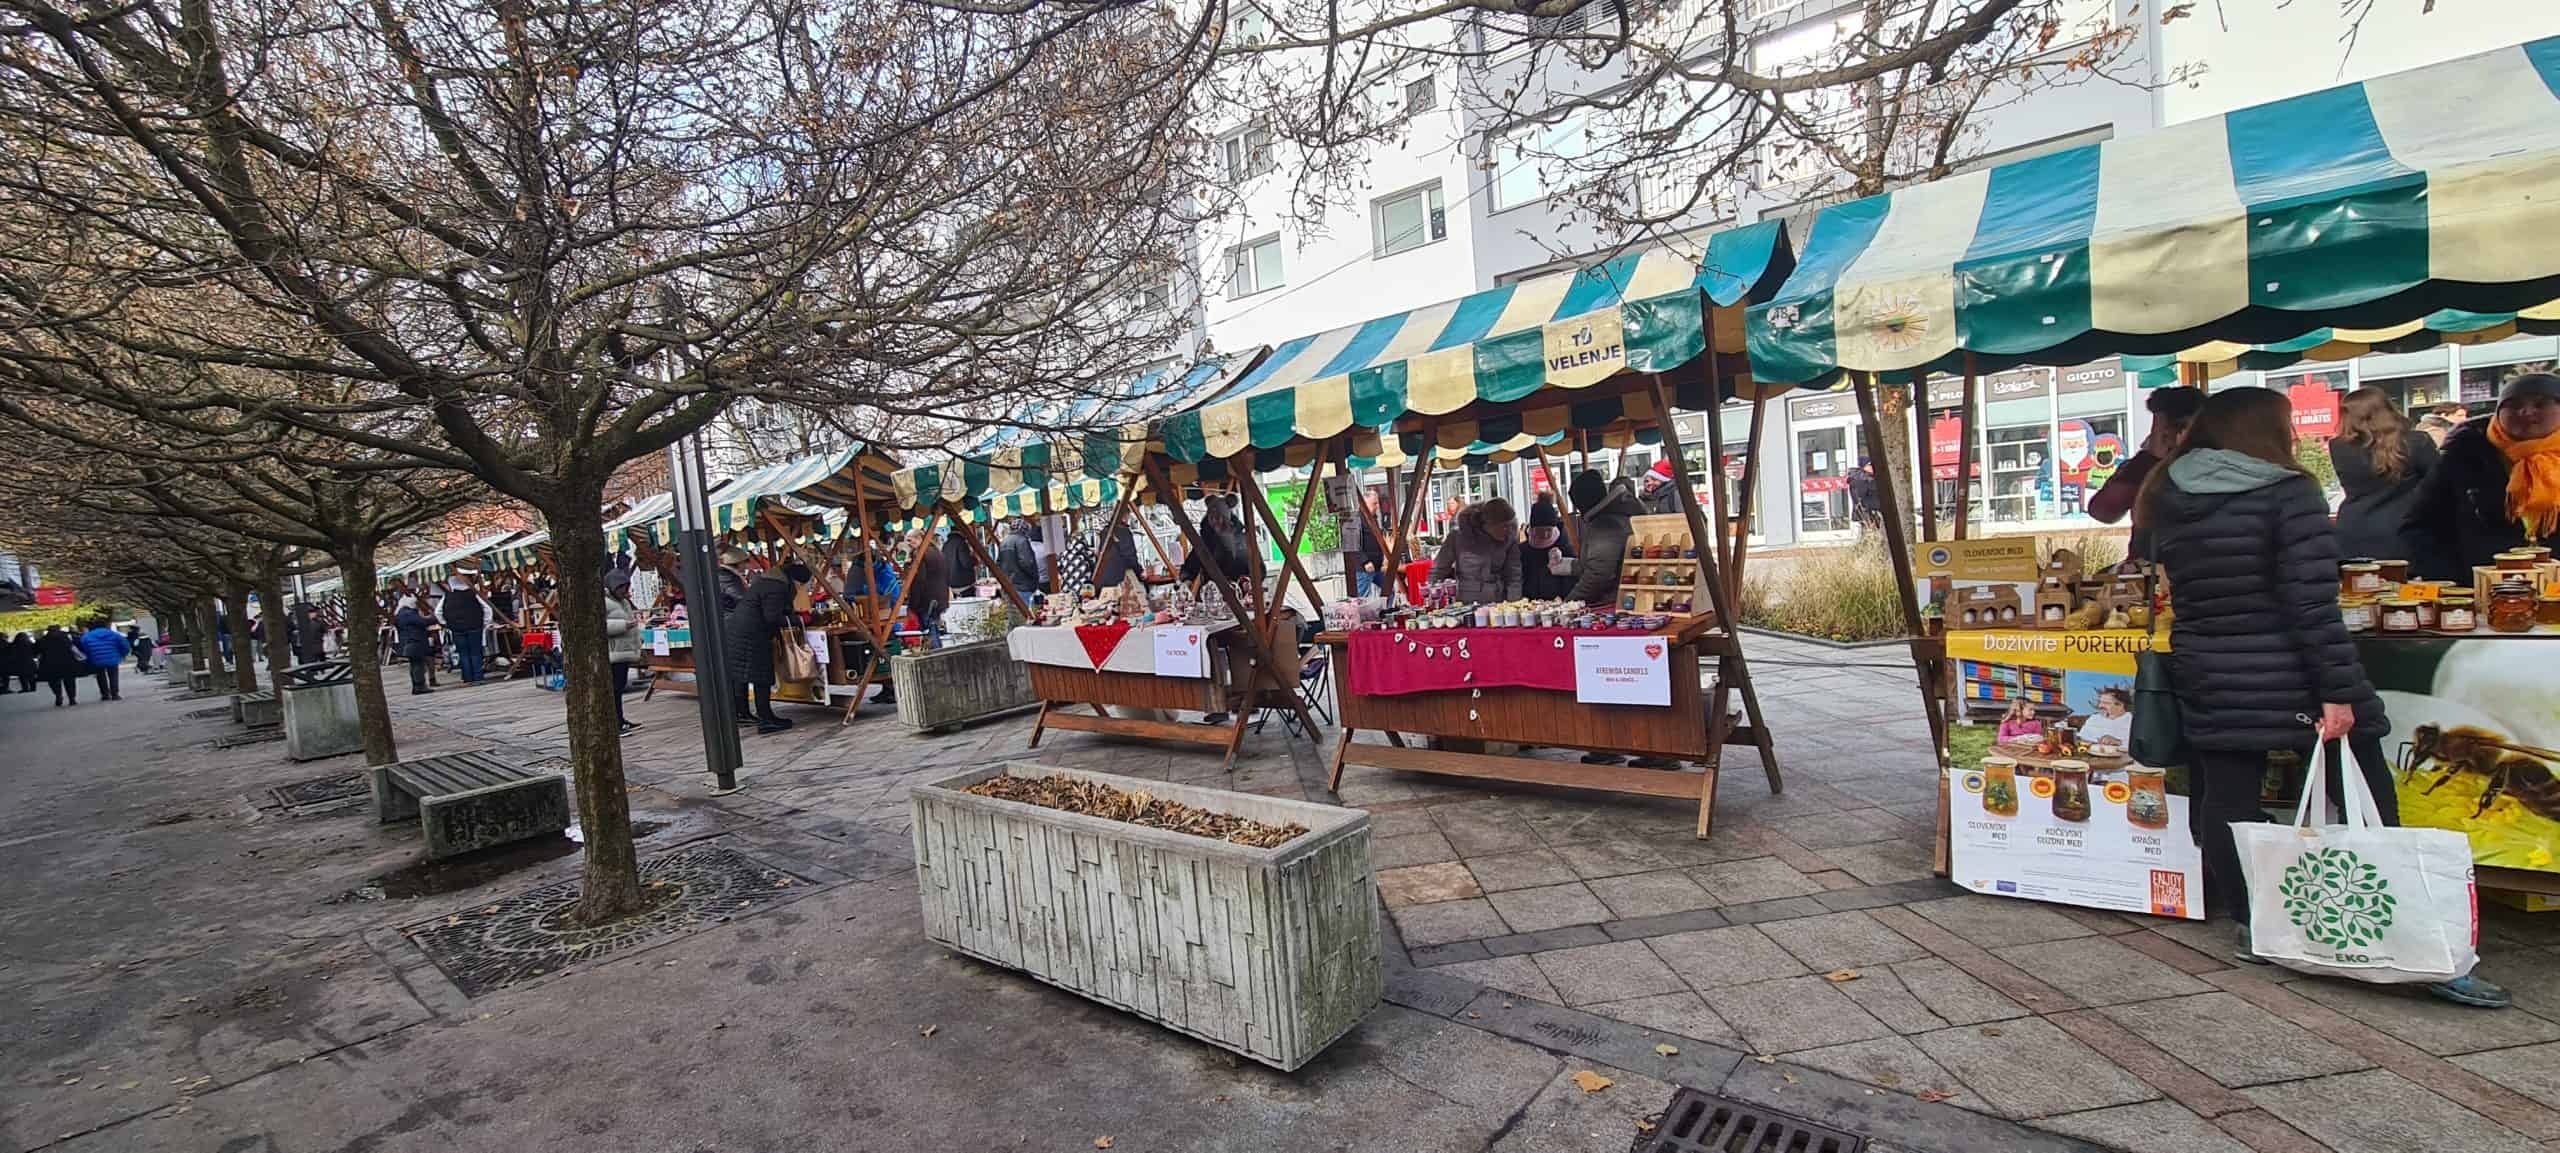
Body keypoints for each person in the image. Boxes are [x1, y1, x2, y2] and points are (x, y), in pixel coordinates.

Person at [2142, 387, 2507, 1007]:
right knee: (2363, 781)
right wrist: (2341, 690)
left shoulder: (2169, 489)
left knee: (2226, 793)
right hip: (2291, 666)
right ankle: (2403, 930)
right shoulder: (2288, 491)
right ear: (2271, 431)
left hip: (2207, 661)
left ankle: (2256, 924)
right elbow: (2311, 603)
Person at [2407, 372, 2560, 580]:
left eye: (2540, 404)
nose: (2526, 412)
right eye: (2513, 405)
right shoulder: (2462, 456)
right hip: (2483, 590)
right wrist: (2455, 578)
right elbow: (2419, 526)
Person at [2088, 385, 2204, 554]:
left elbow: (2103, 511)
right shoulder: (2144, 467)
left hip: (2174, 566)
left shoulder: (2213, 463)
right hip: (2154, 568)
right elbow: (2102, 511)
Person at [2328, 386, 2439, 561]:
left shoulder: (2338, 447)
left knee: (2357, 585)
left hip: (2353, 529)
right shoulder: (2417, 441)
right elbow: (2438, 486)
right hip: (2405, 531)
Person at [726, 559, 804, 734]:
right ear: (794, 580)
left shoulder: (769, 581)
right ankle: (766, 719)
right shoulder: (776, 587)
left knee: (747, 675)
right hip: (753, 634)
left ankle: (753, 714)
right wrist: (798, 620)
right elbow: (771, 616)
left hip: (743, 631)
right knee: (762, 676)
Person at [1568, 469, 1638, 607]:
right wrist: (1567, 566)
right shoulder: (1620, 513)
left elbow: (1598, 574)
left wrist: (1569, 603)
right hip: (1627, 596)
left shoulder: (1604, 525)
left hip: (1614, 602)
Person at [1433, 498, 1524, 605]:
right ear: (1489, 524)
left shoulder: (1509, 539)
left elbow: (1514, 575)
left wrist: (1514, 605)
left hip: (1498, 603)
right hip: (1467, 603)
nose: (1508, 530)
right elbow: (1439, 569)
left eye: (1510, 525)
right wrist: (1433, 597)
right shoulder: (1458, 537)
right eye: (1504, 526)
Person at [1179, 494, 1250, 592]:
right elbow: (1191, 564)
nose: (1214, 521)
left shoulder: (1241, 538)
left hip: (1240, 592)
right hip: (1212, 593)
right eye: (1211, 517)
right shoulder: (1205, 541)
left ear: (1226, 518)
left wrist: (1247, 581)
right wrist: (1186, 580)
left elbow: (1257, 568)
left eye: (1218, 517)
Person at [603, 568, 643, 733]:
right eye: (622, 588)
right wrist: (624, 625)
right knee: (615, 689)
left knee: (619, 687)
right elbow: (600, 626)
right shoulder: (604, 602)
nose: (625, 591)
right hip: (614, 652)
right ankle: (616, 722)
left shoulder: (623, 602)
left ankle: (620, 719)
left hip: (624, 651)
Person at [1519, 496, 1577, 600]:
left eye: (1548, 530)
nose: (1545, 535)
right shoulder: (1523, 551)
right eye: (1540, 531)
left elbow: (1572, 579)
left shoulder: (1566, 548)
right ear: (1532, 529)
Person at [438, 575, 490, 683]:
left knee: (463, 653)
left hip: (457, 629)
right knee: (475, 652)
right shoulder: (473, 593)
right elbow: (487, 609)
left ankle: (467, 678)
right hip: (475, 627)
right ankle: (478, 677)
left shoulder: (447, 596)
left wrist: (446, 624)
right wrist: (484, 623)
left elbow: (437, 612)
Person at [910, 528, 951, 653]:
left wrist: (913, 603)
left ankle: (936, 657)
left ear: (919, 539)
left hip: (927, 598)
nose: (908, 544)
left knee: (930, 630)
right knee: (934, 627)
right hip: (940, 596)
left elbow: (919, 581)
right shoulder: (937, 552)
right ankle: (939, 655)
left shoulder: (921, 554)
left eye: (910, 540)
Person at [77, 619, 130, 701]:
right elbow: (125, 645)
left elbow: (84, 648)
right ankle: (115, 694)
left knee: (100, 676)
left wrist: (90, 656)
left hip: (96, 659)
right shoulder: (113, 634)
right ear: (105, 626)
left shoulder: (86, 636)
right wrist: (122, 655)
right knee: (113, 676)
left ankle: (105, 694)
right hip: (113, 658)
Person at [393, 595, 435, 695]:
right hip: (414, 642)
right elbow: (423, 622)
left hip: (408, 642)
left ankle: (417, 685)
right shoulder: (409, 614)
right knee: (418, 665)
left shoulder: (400, 614)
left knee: (414, 665)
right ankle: (420, 686)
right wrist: (433, 618)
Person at [35, 624, 84, 706]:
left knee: (54, 682)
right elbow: (73, 647)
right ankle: (72, 698)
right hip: (67, 663)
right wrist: (80, 656)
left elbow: (37, 652)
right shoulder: (65, 637)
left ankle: (58, 695)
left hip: (50, 664)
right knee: (70, 681)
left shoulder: (43, 640)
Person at [996, 518, 1043, 600]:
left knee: (1013, 611)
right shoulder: (1022, 541)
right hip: (1023, 586)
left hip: (1008, 586)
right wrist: (1035, 577)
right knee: (1026, 611)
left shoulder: (1004, 542)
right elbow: (1027, 563)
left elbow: (999, 564)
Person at [1093, 519, 1143, 591]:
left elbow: (1097, 554)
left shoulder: (1103, 532)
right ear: (1125, 516)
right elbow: (1130, 557)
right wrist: (1140, 572)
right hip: (1119, 581)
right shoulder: (1123, 532)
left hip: (1102, 582)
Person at [1846, 461, 1881, 532]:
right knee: (1870, 532)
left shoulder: (1859, 477)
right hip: (1868, 510)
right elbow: (1861, 496)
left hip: (1866, 511)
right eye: (1870, 465)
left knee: (1869, 532)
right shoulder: (1863, 478)